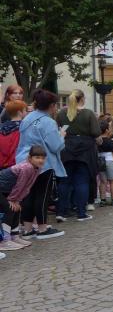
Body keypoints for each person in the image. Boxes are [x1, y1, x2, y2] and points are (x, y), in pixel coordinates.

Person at [15, 89, 65, 239]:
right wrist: (62, 136)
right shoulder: (48, 122)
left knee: (28, 195)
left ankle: (28, 229)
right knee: (42, 196)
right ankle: (42, 228)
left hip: (25, 159)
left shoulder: (28, 118)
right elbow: (55, 146)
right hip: (43, 162)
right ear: (51, 105)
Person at [55, 90, 100, 221]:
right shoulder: (88, 113)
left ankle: (61, 212)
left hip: (67, 147)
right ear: (82, 99)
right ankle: (81, 213)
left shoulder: (61, 113)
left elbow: (59, 129)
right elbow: (96, 132)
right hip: (85, 150)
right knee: (82, 181)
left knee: (64, 181)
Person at [0, 145, 46, 252]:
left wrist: (18, 201)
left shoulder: (37, 169)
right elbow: (19, 185)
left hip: (5, 190)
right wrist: (12, 200)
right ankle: (5, 240)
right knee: (9, 209)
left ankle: (14, 236)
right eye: (37, 157)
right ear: (30, 158)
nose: (40, 160)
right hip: (3, 190)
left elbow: (27, 187)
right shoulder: (27, 168)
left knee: (17, 209)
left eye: (43, 158)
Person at [0, 99, 26, 171]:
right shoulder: (24, 127)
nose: (26, 112)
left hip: (2, 163)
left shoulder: (2, 127)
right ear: (20, 112)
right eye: (25, 110)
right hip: (16, 163)